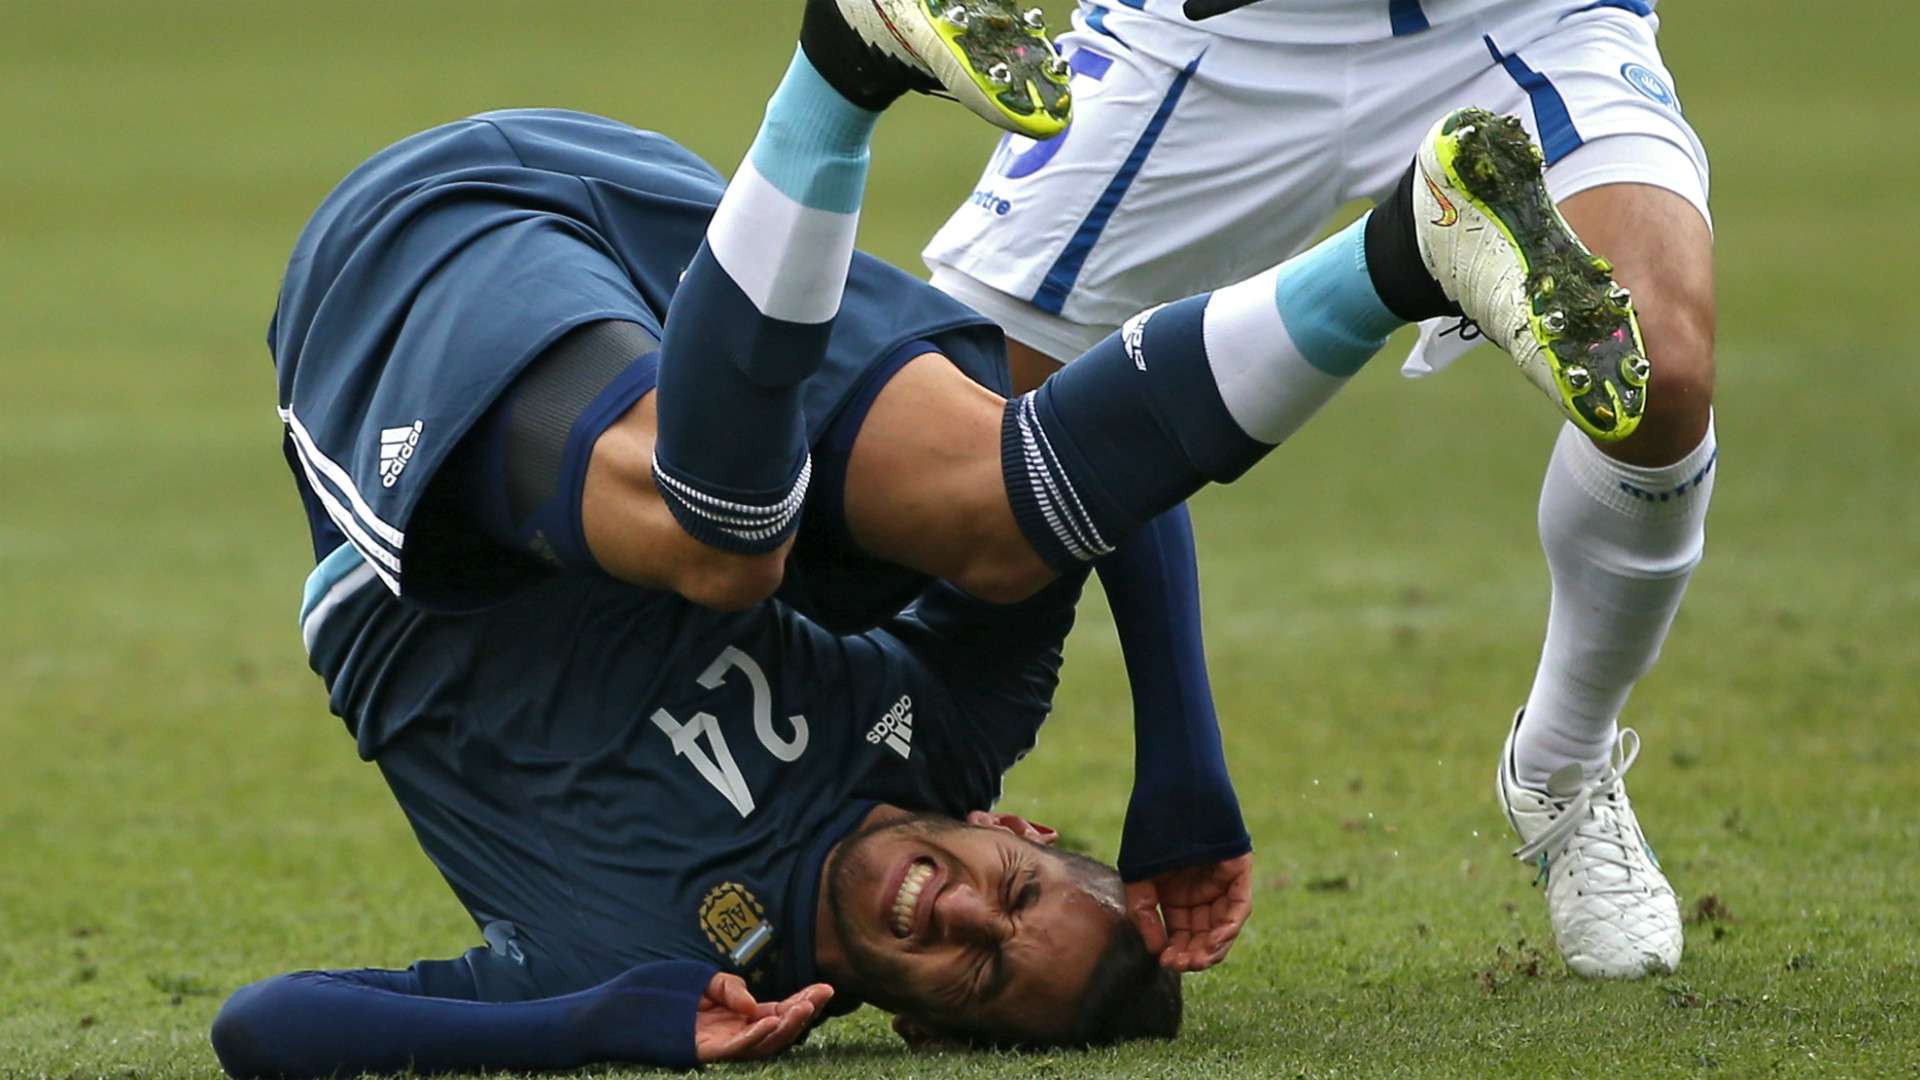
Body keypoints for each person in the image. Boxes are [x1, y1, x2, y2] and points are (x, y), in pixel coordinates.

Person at [213, 0, 1640, 1070]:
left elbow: (266, 1031)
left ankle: (1408, 240)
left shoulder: (635, 960)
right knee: (825, 527)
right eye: (1020, 888)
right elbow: (1104, 474)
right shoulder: (943, 725)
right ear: (1011, 826)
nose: (967, 917)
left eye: (982, 975)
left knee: (909, 525)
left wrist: (613, 1020)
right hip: (533, 242)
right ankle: (848, 60)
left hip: (444, 381)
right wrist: (1180, 770)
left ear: (915, 1031)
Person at [923, 0, 1714, 979]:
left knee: (1653, 373)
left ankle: (1564, 763)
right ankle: (885, 809)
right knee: (958, 423)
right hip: (1210, 36)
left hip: (1512, 18)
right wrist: (1181, 753)